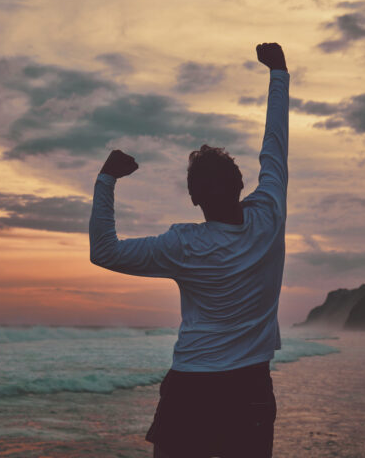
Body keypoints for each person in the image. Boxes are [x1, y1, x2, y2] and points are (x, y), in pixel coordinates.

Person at [89, 42, 290, 457]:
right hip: (250, 387)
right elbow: (275, 143)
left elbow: (104, 252)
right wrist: (278, 73)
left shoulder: (182, 245)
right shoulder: (269, 214)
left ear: (194, 199)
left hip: (191, 386)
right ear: (240, 183)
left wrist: (106, 179)